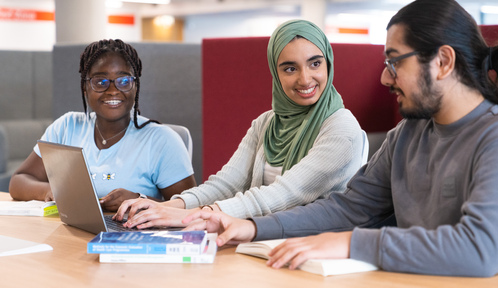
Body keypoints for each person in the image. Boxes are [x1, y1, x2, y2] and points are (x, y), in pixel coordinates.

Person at [182, 0, 498, 277]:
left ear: (442, 62)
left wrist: (352, 243)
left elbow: (479, 249)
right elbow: (350, 208)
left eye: (394, 62)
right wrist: (252, 227)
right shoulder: (408, 134)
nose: (385, 77)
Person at [114, 19, 367, 228]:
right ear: (275, 74)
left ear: (328, 63)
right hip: (257, 237)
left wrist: (197, 215)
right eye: (290, 69)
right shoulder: (266, 124)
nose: (305, 78)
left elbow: (285, 194)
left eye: (315, 63)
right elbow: (226, 184)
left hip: (310, 246)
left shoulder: (341, 128)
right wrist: (168, 206)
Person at [9, 39, 196, 211]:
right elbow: (18, 182)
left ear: (135, 86)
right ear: (85, 87)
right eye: (101, 81)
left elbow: (192, 207)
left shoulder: (161, 141)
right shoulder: (67, 127)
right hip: (69, 235)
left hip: (131, 238)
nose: (113, 91)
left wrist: (140, 200)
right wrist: (51, 190)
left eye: (124, 81)